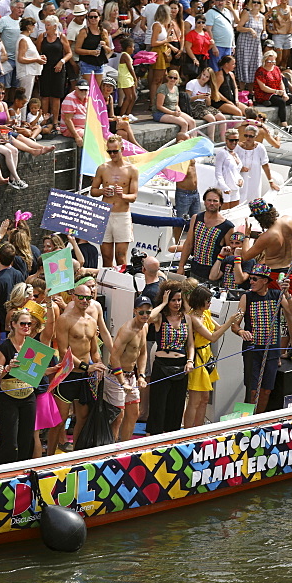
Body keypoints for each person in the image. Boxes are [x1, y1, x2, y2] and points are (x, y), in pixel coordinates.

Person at [232, 264, 292, 413]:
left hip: (272, 351)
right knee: (252, 391)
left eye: (255, 279)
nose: (251, 282)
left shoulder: (277, 295)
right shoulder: (246, 297)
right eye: (250, 279)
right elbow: (234, 325)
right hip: (252, 350)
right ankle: (246, 421)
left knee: (266, 390)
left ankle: (258, 420)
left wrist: (287, 293)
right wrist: (241, 331)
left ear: (265, 281)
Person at [49, 281, 106, 453]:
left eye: (88, 298)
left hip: (85, 377)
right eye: (80, 297)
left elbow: (94, 349)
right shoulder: (64, 320)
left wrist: (99, 364)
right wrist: (86, 366)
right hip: (68, 375)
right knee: (60, 420)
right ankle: (48, 456)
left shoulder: (91, 321)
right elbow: (64, 350)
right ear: (73, 297)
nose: (84, 300)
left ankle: (76, 451)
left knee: (82, 416)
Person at [0, 309, 49, 465]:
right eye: (23, 323)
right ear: (13, 325)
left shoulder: (33, 346)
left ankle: (23, 471)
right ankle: (2, 472)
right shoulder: (5, 346)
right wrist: (7, 368)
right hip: (8, 396)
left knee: (27, 438)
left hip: (28, 396)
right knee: (9, 440)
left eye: (29, 324)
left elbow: (39, 372)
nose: (26, 326)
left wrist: (56, 369)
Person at [185, 285, 242, 428]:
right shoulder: (194, 318)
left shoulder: (206, 314)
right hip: (198, 358)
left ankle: (199, 428)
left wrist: (233, 321)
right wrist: (230, 321)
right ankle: (187, 431)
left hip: (207, 357)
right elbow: (213, 337)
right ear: (200, 301)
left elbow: (218, 328)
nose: (210, 303)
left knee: (205, 398)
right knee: (194, 400)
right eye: (208, 300)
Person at [146, 283, 194, 435]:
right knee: (158, 405)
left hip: (181, 365)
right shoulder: (160, 317)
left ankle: (172, 436)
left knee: (176, 405)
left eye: (179, 300)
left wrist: (190, 361)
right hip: (162, 365)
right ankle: (154, 436)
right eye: (173, 300)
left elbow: (190, 344)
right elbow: (149, 317)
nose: (177, 303)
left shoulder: (187, 318)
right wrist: (163, 303)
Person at [89, 134, 139, 267]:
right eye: (109, 152)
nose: (112, 154)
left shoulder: (131, 170)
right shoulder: (103, 168)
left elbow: (133, 196)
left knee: (121, 257)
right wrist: (102, 191)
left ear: (122, 149)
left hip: (122, 215)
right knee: (106, 256)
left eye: (114, 151)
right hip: (105, 215)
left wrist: (122, 195)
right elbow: (93, 191)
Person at [106, 296, 151, 441]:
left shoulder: (145, 326)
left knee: (133, 414)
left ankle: (124, 448)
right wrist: (121, 381)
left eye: (148, 313)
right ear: (135, 311)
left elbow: (143, 352)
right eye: (141, 312)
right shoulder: (127, 330)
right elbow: (114, 357)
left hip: (131, 375)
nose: (145, 316)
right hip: (116, 376)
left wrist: (142, 375)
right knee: (118, 417)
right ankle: (112, 451)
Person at [177, 188, 234, 282]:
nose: (212, 203)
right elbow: (188, 244)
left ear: (220, 203)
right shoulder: (196, 218)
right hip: (195, 270)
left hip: (213, 274)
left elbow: (230, 254)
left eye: (215, 201)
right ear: (204, 202)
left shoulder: (227, 226)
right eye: (209, 200)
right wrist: (181, 266)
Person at [242, 198, 292, 285]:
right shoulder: (289, 220)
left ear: (258, 219)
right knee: (290, 298)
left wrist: (247, 236)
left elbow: (245, 256)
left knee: (275, 298)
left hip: (276, 275)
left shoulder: (266, 237)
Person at [233, 125, 277, 204]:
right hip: (240, 179)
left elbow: (265, 165)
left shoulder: (260, 148)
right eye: (246, 135)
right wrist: (240, 168)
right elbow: (231, 162)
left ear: (255, 136)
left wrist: (271, 182)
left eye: (251, 136)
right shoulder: (237, 147)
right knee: (239, 199)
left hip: (254, 179)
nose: (248, 138)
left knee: (254, 199)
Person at [253, 51, 292, 128]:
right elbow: (263, 87)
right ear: (265, 61)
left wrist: (284, 93)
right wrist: (275, 91)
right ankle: (284, 124)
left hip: (277, 92)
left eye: (273, 61)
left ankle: (270, 103)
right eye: (269, 61)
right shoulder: (260, 71)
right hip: (265, 93)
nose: (271, 63)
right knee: (281, 102)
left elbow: (280, 82)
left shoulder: (276, 69)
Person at [215, 129, 243, 209]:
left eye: (236, 140)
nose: (234, 142)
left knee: (234, 212)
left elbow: (236, 172)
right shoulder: (222, 153)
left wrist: (241, 179)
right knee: (225, 213)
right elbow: (218, 173)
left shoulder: (235, 154)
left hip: (235, 188)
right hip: (225, 190)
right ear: (226, 140)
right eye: (231, 140)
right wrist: (224, 187)